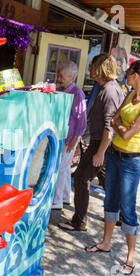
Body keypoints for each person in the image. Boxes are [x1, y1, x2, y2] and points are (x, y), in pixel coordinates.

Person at [85, 60, 140, 276]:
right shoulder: (130, 94)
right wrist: (121, 126)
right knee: (110, 199)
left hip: (131, 160)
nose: (125, 77)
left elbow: (129, 133)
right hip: (114, 155)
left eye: (129, 73)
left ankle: (130, 257)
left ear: (136, 75)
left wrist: (120, 127)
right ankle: (105, 243)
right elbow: (113, 119)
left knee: (127, 207)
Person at [58, 53, 124, 231]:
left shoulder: (109, 90)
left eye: (92, 66)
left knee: (81, 177)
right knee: (106, 180)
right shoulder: (107, 88)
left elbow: (109, 126)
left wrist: (100, 151)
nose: (89, 69)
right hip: (101, 142)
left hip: (101, 142)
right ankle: (120, 215)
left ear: (101, 68)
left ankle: (79, 221)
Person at [52, 61, 87, 210]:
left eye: (62, 76)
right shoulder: (61, 90)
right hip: (62, 136)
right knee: (65, 168)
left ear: (71, 76)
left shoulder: (77, 93)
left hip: (70, 137)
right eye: (59, 75)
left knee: (60, 168)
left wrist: (75, 140)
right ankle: (66, 197)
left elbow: (82, 120)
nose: (59, 79)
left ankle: (57, 200)